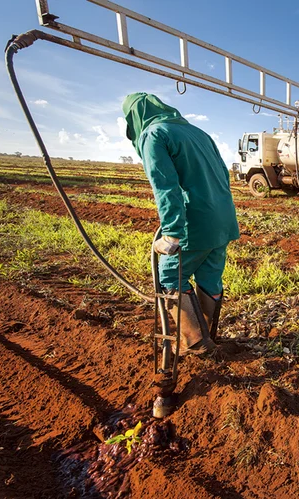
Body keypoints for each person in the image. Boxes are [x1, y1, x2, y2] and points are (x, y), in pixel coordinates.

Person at [123, 92, 239, 356]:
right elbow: (223, 175)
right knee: (210, 278)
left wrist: (173, 234)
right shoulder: (199, 133)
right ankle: (207, 335)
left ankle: (195, 343)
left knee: (170, 276)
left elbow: (166, 187)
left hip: (194, 223)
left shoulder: (154, 134)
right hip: (221, 220)